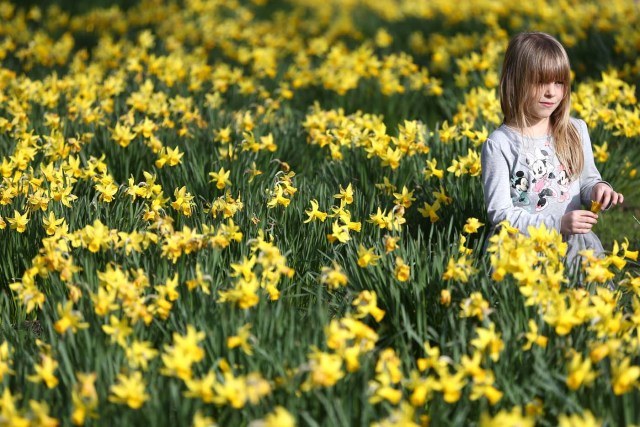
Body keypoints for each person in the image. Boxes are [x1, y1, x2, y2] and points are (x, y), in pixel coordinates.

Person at [481, 31, 624, 269]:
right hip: (522, 250)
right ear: (516, 82)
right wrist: (556, 224)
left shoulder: (575, 130)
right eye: (541, 82)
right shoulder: (500, 144)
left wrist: (600, 190)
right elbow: (500, 215)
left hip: (573, 245)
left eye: (559, 82)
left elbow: (588, 181)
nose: (552, 92)